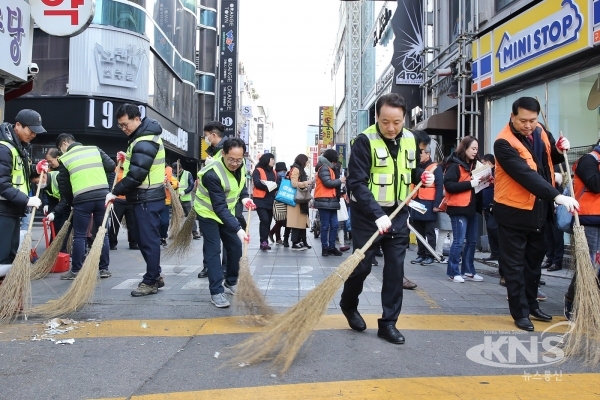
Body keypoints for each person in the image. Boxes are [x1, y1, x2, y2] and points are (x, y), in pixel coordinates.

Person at [339, 93, 434, 345]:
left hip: (399, 214)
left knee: (395, 270)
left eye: (397, 122)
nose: (391, 128)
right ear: (377, 118)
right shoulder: (364, 141)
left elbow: (410, 168)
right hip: (367, 216)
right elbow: (356, 182)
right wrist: (377, 214)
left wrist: (422, 175)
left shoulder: (412, 139)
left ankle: (388, 323)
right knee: (362, 266)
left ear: (404, 118)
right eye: (385, 122)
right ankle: (348, 305)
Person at [493, 96, 577, 331]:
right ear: (512, 116)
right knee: (514, 266)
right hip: (513, 213)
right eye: (523, 120)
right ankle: (519, 313)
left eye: (532, 120)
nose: (528, 125)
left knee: (534, 264)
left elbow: (551, 159)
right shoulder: (503, 143)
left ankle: (532, 306)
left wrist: (562, 149)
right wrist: (557, 196)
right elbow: (525, 175)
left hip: (539, 211)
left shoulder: (540, 131)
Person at [107, 104, 167, 297]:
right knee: (145, 240)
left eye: (126, 125)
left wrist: (115, 191)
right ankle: (155, 275)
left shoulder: (144, 140)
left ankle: (150, 281)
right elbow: (140, 165)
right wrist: (126, 159)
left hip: (146, 199)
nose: (124, 129)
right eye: (120, 126)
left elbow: (137, 175)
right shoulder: (141, 138)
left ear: (137, 119)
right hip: (145, 197)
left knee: (148, 241)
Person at [194, 138, 254, 308]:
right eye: (231, 159)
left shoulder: (241, 166)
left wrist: (244, 199)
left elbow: (240, 185)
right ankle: (216, 291)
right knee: (213, 251)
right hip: (208, 213)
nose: (235, 163)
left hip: (225, 213)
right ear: (223, 154)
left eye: (238, 159)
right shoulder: (212, 173)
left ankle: (231, 281)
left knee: (235, 247)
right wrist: (238, 229)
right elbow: (218, 207)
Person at [53, 133, 115, 280]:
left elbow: (65, 187)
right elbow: (111, 166)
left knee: (80, 235)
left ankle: (76, 270)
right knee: (102, 233)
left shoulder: (65, 158)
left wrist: (69, 202)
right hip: (102, 196)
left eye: (60, 148)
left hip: (82, 199)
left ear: (64, 144)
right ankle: (104, 269)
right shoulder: (95, 149)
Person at [0, 110, 44, 271]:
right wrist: (26, 200)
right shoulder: (4, 148)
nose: (33, 135)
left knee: (9, 256)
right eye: (30, 130)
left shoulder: (18, 147)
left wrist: (35, 169)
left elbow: (20, 173)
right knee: (2, 257)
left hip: (11, 210)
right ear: (18, 125)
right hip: (2, 211)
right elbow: (2, 184)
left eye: (35, 132)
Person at [564, 141, 600, 320]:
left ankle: (593, 304)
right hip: (589, 220)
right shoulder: (588, 160)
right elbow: (595, 184)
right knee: (589, 264)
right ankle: (572, 300)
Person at [444, 136, 484, 283]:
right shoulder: (454, 165)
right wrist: (471, 183)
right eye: (473, 149)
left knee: (472, 241)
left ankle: (468, 270)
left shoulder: (477, 165)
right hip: (458, 207)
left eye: (477, 149)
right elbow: (449, 185)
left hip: (472, 208)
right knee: (458, 241)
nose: (475, 152)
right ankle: (453, 272)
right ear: (464, 148)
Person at [410, 144, 443, 266]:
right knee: (418, 231)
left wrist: (436, 204)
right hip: (416, 202)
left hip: (429, 203)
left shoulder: (435, 167)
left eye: (421, 152)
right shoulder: (416, 167)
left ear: (428, 154)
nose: (419, 155)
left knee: (429, 231)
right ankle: (421, 254)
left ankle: (430, 255)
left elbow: (440, 187)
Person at [314, 149, 346, 256]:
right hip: (324, 199)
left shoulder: (329, 168)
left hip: (331, 200)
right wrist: (340, 181)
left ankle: (331, 247)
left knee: (334, 225)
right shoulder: (324, 168)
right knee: (325, 226)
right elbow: (327, 182)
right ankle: (325, 247)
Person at [108, 163, 138, 250]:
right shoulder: (115, 170)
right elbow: (111, 184)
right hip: (118, 201)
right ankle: (112, 243)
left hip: (130, 200)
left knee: (132, 223)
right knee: (115, 223)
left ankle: (133, 243)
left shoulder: (131, 170)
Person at [541, 165, 566, 272]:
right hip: (546, 204)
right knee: (548, 235)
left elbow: (563, 184)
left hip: (558, 205)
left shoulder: (559, 165)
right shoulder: (543, 164)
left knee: (557, 236)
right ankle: (550, 258)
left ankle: (557, 261)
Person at [286, 154, 313, 250]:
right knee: (297, 222)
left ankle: (302, 241)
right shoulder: (296, 169)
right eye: (306, 161)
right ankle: (295, 242)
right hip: (296, 198)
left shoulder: (299, 169)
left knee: (301, 221)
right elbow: (293, 184)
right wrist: (306, 183)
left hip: (300, 199)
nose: (306, 163)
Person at [252, 153, 278, 250]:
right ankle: (263, 241)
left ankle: (265, 241)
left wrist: (273, 186)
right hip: (260, 200)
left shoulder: (274, 172)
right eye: (272, 159)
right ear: (266, 159)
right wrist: (270, 187)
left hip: (270, 200)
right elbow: (257, 183)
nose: (273, 161)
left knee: (268, 221)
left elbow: (277, 184)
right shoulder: (258, 170)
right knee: (264, 220)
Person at [173, 162, 200, 239]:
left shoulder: (187, 174)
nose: (175, 171)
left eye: (176, 170)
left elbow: (191, 185)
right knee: (176, 217)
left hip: (186, 199)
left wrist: (184, 192)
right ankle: (176, 232)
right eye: (174, 170)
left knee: (190, 216)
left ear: (180, 168)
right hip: (176, 199)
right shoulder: (173, 175)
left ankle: (194, 232)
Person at [481, 154, 499, 262]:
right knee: (490, 230)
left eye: (483, 163)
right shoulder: (485, 174)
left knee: (493, 228)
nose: (482, 165)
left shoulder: (496, 172)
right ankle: (494, 252)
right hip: (486, 206)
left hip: (494, 205)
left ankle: (500, 251)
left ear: (488, 162)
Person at [159, 164, 179, 246]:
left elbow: (176, 183)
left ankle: (163, 236)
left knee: (164, 222)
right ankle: (157, 238)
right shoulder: (153, 171)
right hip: (153, 201)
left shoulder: (168, 172)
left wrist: (168, 183)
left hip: (165, 202)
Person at [269, 162, 288, 245]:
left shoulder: (285, 178)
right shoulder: (274, 177)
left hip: (284, 200)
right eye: (281, 171)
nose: (282, 173)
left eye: (284, 171)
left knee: (281, 220)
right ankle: (278, 238)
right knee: (279, 220)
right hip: (276, 201)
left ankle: (272, 233)